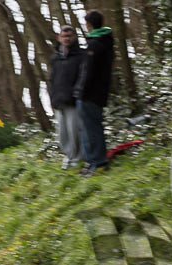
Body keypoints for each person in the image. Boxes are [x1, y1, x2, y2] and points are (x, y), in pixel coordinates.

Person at [74, 10, 114, 177]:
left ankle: (98, 162)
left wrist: (80, 91)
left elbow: (88, 73)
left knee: (91, 129)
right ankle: (91, 161)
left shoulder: (96, 45)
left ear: (89, 25)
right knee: (87, 128)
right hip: (94, 93)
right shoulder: (103, 42)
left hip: (90, 94)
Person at [49, 25, 84, 170]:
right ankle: (68, 157)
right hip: (59, 100)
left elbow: (83, 77)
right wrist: (52, 97)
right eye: (64, 36)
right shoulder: (55, 58)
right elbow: (52, 78)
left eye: (69, 36)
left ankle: (77, 158)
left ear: (74, 37)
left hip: (73, 101)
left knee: (75, 131)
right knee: (62, 133)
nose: (67, 39)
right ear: (59, 38)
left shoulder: (80, 56)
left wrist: (77, 93)